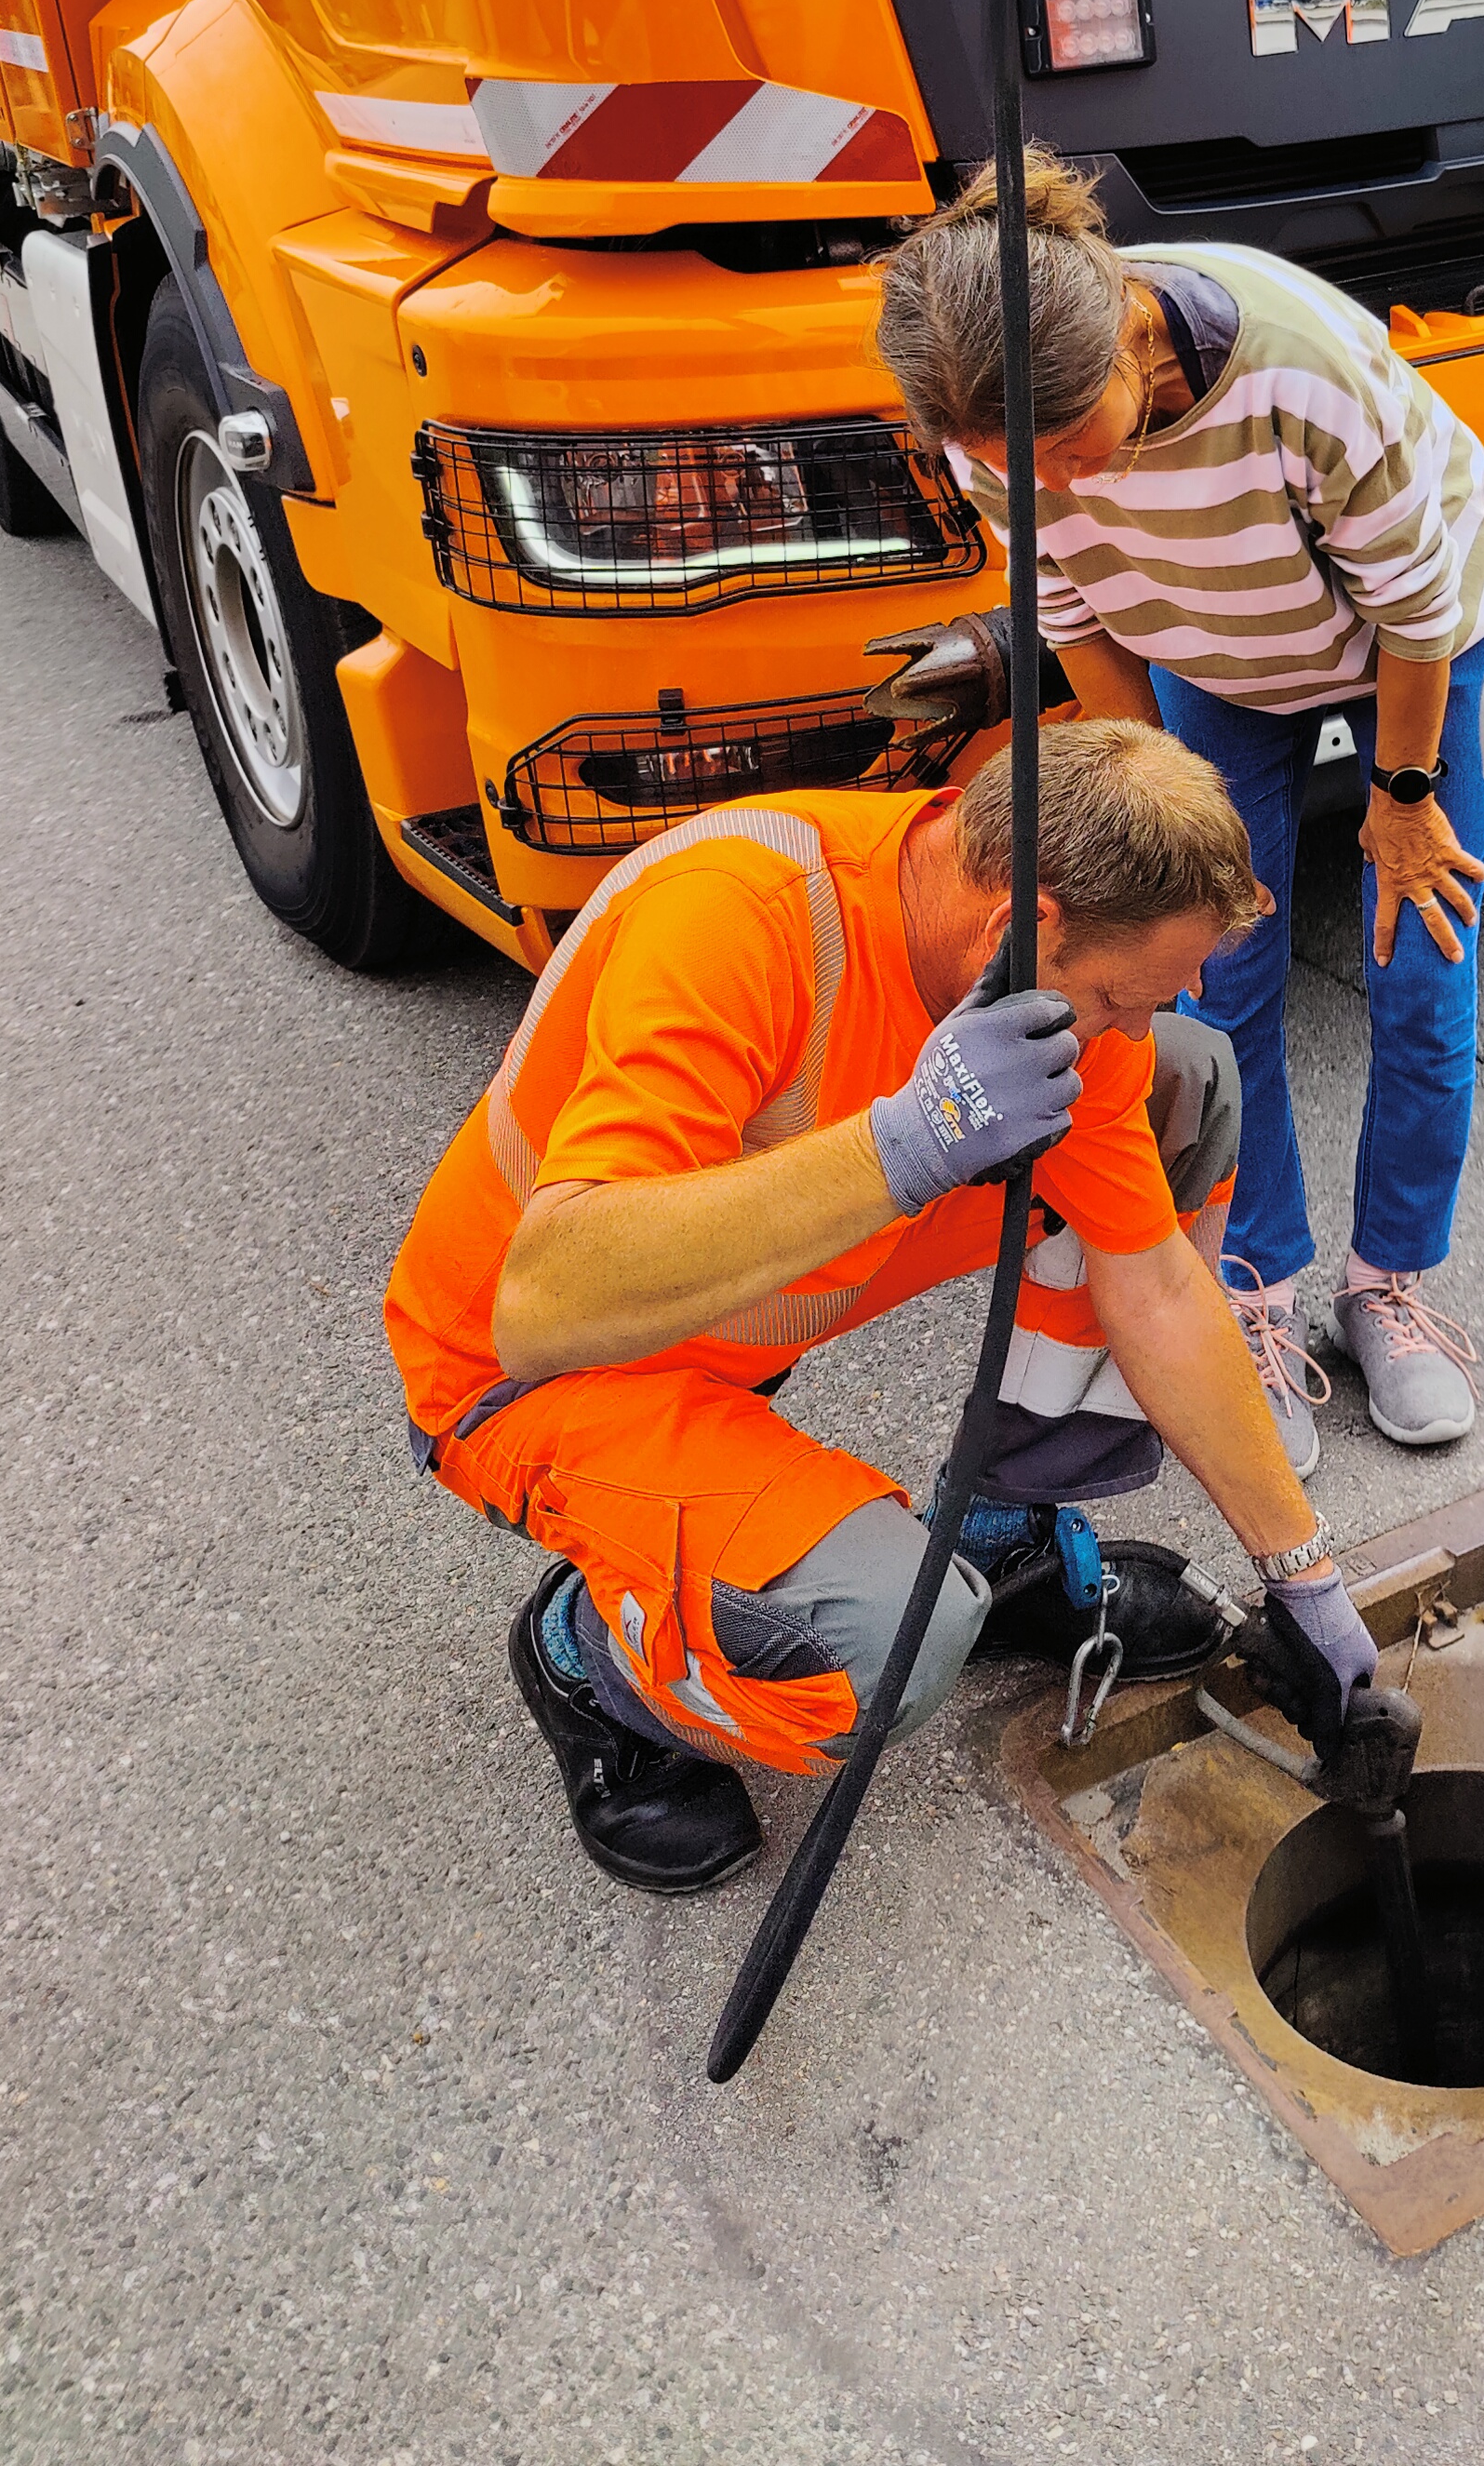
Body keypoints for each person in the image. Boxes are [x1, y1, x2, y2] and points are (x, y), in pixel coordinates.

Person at [384, 723, 1382, 1891]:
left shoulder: (1051, 985)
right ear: (1031, 926)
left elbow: (1154, 1281)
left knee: (1184, 1087)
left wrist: (1302, 1577)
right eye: (1116, 995)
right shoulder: (742, 915)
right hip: (545, 1375)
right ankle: (588, 1651)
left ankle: (1004, 1534)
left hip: (741, 1315)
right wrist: (907, 1143)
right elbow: (547, 1300)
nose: (1119, 1026)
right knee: (886, 1648)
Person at [876, 154, 1484, 1469]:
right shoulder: (992, 428)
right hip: (1214, 656)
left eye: (1064, 448)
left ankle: (1389, 1281)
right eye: (1012, 464)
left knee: (1418, 958)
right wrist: (1161, 806)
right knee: (1211, 978)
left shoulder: (1298, 364)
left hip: (1427, 649)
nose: (1041, 482)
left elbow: (1416, 611)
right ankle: (1258, 1288)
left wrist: (1400, 801)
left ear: (1130, 339)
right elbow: (1078, 622)